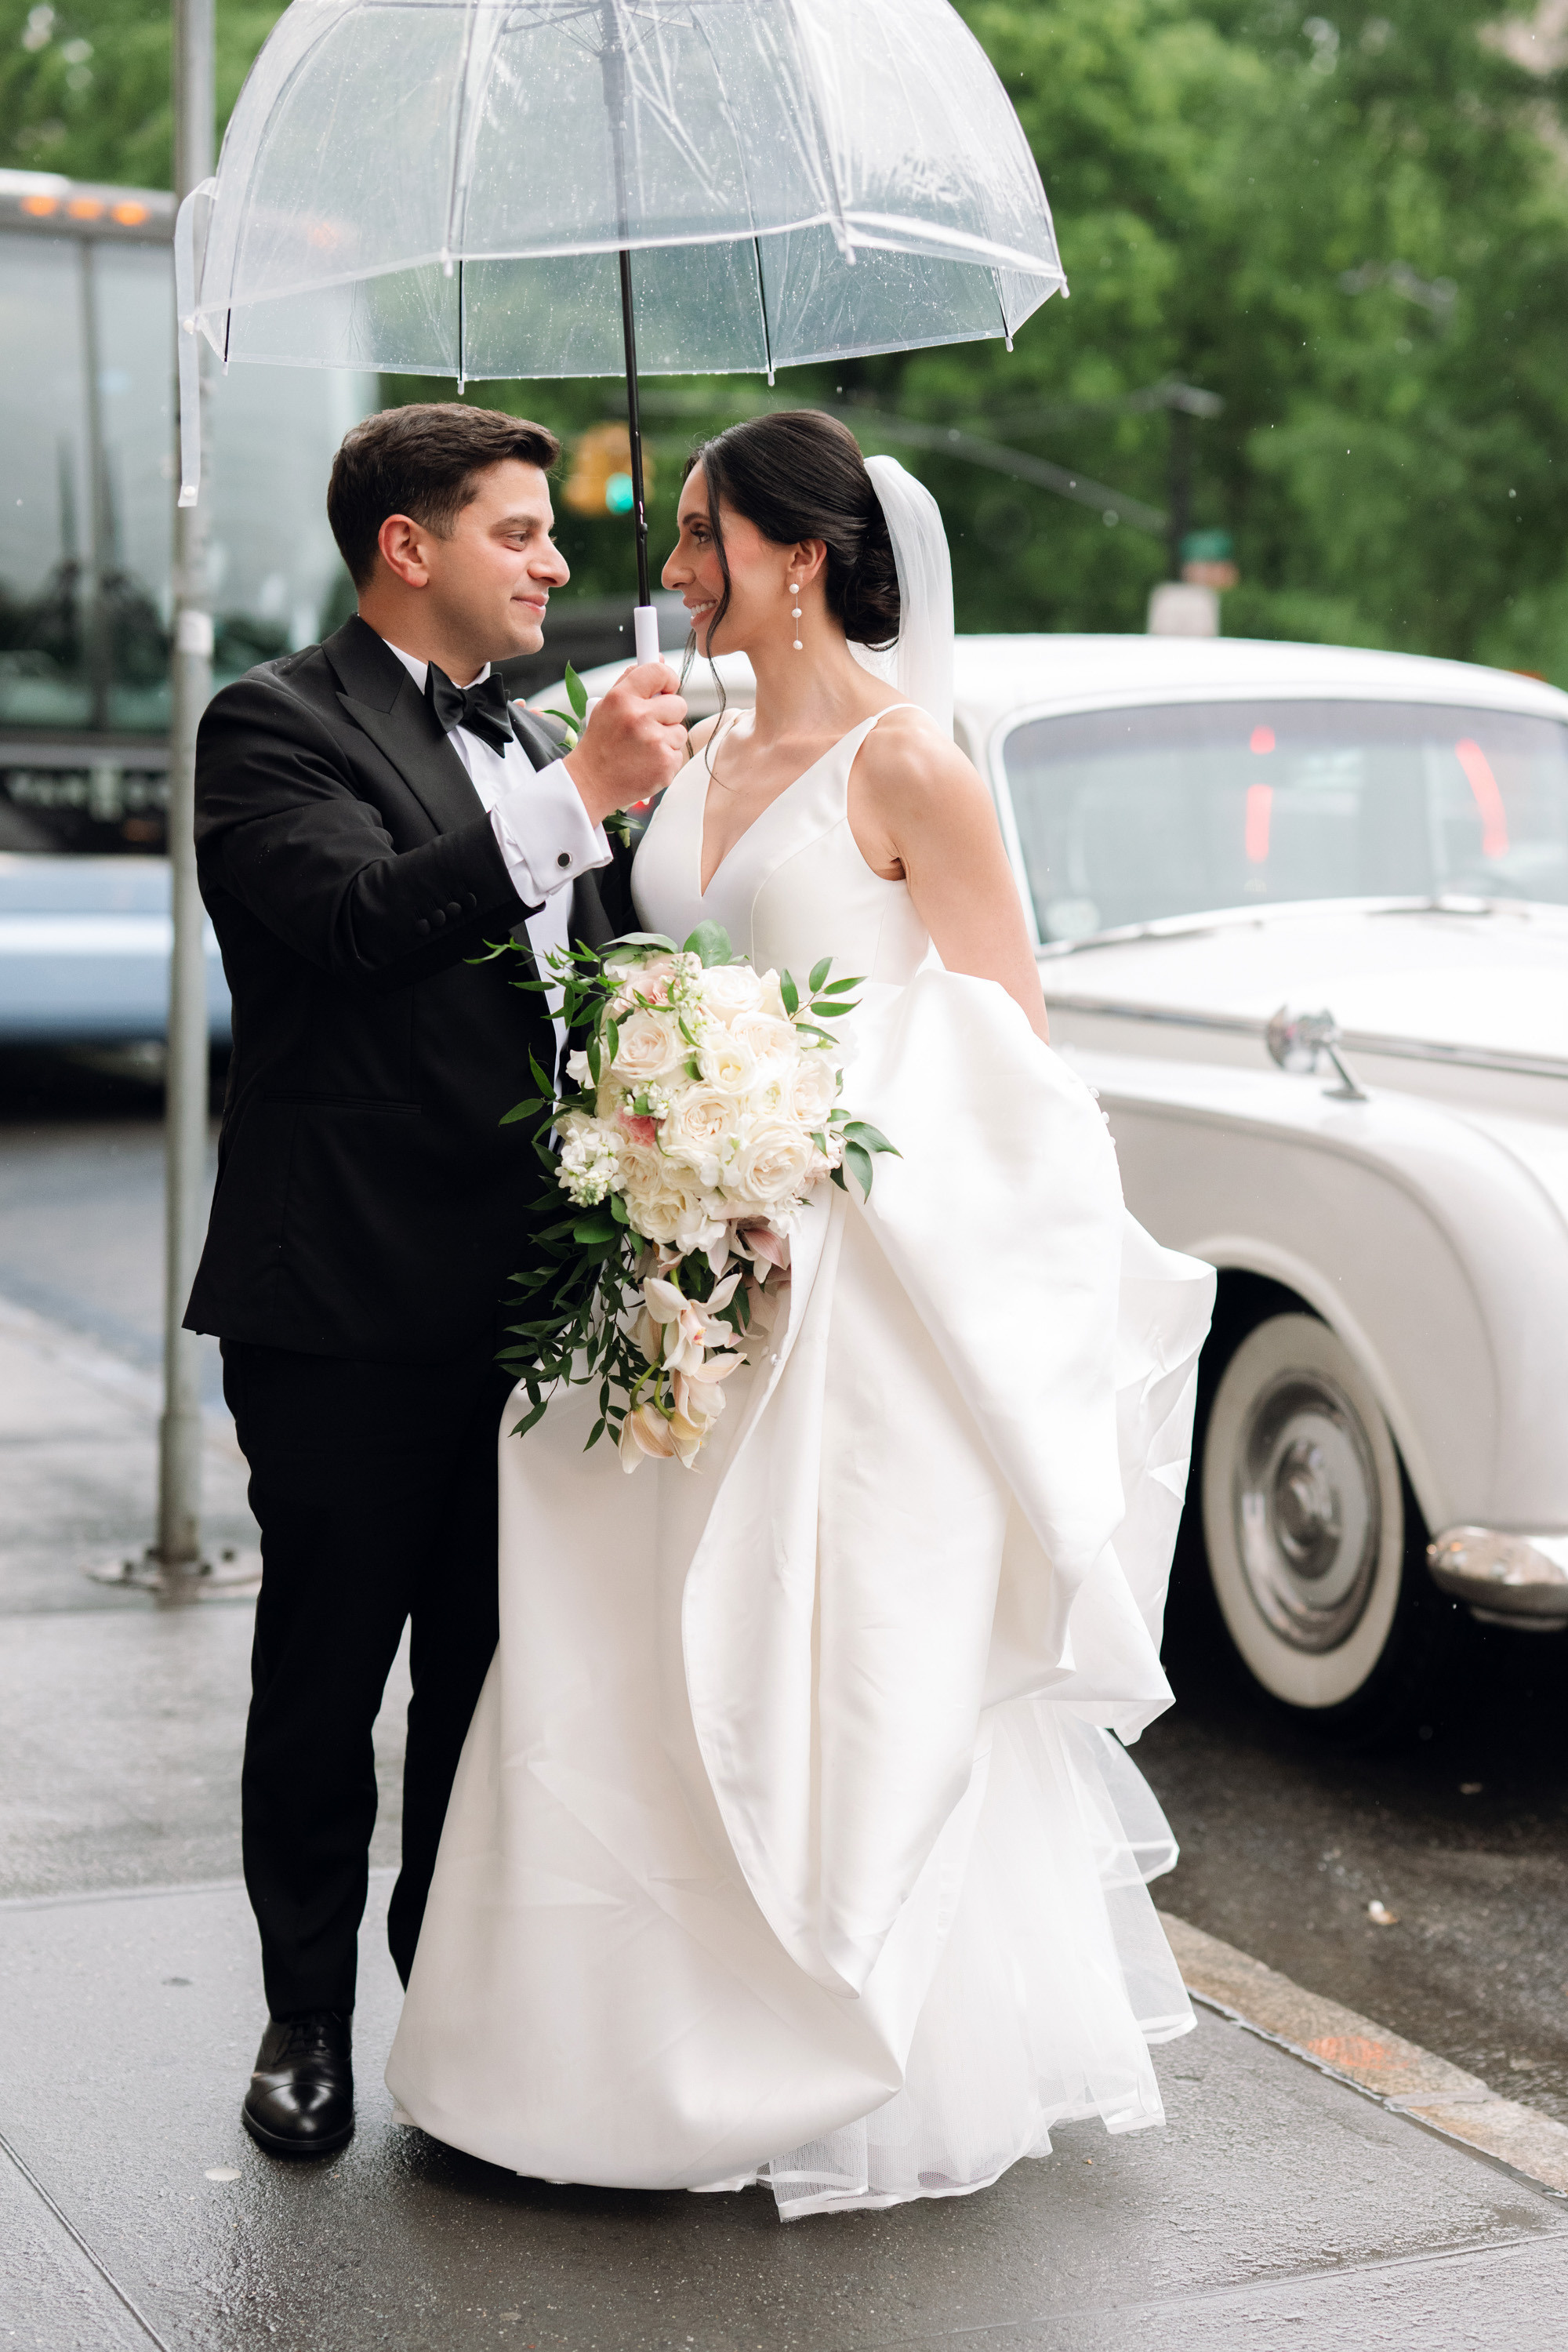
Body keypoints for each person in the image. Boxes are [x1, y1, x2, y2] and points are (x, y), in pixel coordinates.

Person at [387, 413, 1217, 2218]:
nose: (670, 567)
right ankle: (593, 2048)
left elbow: (1011, 1048)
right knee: (618, 1649)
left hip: (846, 1297)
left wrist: (809, 1162)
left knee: (807, 1660)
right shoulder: (683, 759)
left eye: (698, 535)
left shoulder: (914, 765)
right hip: (669, 1280)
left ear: (798, 556)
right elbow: (634, 979)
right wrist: (653, 1124)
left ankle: (807, 2042)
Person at [184, 403, 688, 2158]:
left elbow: (597, 989)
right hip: (341, 1300)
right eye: (520, 530)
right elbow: (352, 929)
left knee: (494, 1683)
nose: (555, 559)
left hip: (535, 1303)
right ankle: (304, 2019)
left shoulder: (544, 731)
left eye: (552, 535)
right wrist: (579, 799)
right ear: (411, 547)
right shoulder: (267, 727)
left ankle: (456, 2018)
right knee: (332, 1678)